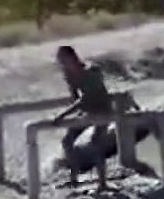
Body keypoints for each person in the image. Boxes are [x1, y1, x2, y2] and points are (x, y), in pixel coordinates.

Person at [51, 45, 126, 189]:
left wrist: (63, 115)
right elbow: (75, 97)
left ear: (72, 58)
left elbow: (86, 98)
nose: (62, 64)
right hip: (87, 111)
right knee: (67, 141)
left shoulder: (91, 71)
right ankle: (74, 180)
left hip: (103, 110)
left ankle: (102, 183)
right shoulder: (68, 74)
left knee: (96, 142)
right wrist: (74, 114)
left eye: (63, 60)